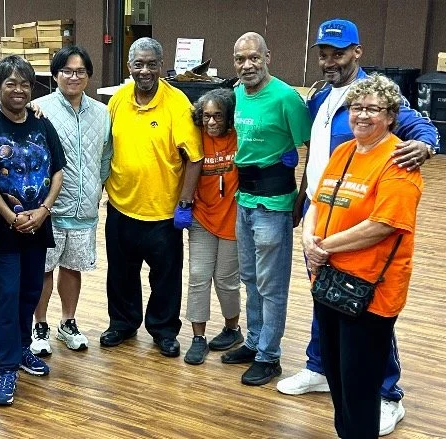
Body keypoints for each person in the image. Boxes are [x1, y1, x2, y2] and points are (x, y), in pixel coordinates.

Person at [277, 18, 439, 436]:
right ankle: (320, 368)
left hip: (356, 241)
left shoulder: (375, 94)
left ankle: (386, 394)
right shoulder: (321, 96)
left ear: (357, 52)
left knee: (365, 321)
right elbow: (317, 157)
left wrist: (425, 144)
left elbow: (417, 125)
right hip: (323, 215)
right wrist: (303, 206)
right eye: (324, 54)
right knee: (329, 302)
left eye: (339, 53)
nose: (331, 61)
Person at [303, 73, 423, 439]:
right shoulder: (344, 152)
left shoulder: (398, 161)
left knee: (359, 387)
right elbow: (317, 201)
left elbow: (382, 225)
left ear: (391, 116)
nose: (362, 115)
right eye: (357, 107)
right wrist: (308, 239)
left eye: (373, 108)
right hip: (329, 281)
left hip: (371, 292)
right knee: (338, 381)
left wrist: (324, 246)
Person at [101, 37, 204, 357]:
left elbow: (194, 158)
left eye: (151, 64)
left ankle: (163, 330)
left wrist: (185, 203)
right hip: (121, 206)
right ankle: (122, 323)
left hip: (163, 212)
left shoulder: (178, 104)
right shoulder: (118, 100)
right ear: (128, 66)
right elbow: (106, 147)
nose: (144, 70)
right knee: (121, 274)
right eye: (138, 64)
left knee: (166, 279)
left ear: (161, 66)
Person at [0, 55, 65, 406]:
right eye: (10, 83)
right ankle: (7, 366)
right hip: (4, 228)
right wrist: (10, 217)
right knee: (9, 293)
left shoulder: (42, 123)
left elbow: (58, 170)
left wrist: (44, 210)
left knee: (31, 291)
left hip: (39, 224)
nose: (18, 90)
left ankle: (23, 347)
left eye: (25, 84)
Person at [220, 32, 311, 386]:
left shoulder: (286, 97)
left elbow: (314, 148)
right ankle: (255, 341)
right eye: (240, 59)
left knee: (272, 285)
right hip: (244, 200)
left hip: (275, 204)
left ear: (267, 57)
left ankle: (269, 356)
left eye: (254, 57)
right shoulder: (238, 95)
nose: (247, 65)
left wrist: (301, 200)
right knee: (250, 278)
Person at [28, 46, 111, 357]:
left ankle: (68, 322)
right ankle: (40, 325)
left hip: (85, 206)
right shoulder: (40, 109)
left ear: (88, 75)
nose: (74, 77)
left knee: (73, 268)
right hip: (49, 208)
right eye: (67, 71)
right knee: (43, 268)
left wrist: (96, 188)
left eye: (80, 71)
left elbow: (106, 156)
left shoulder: (102, 113)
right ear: (55, 75)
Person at [183, 88, 243, 365]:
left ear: (229, 116)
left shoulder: (239, 136)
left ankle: (232, 329)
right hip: (202, 217)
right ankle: (198, 338)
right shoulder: (196, 137)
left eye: (217, 116)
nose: (211, 122)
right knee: (198, 276)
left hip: (232, 219)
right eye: (206, 116)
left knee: (226, 280)